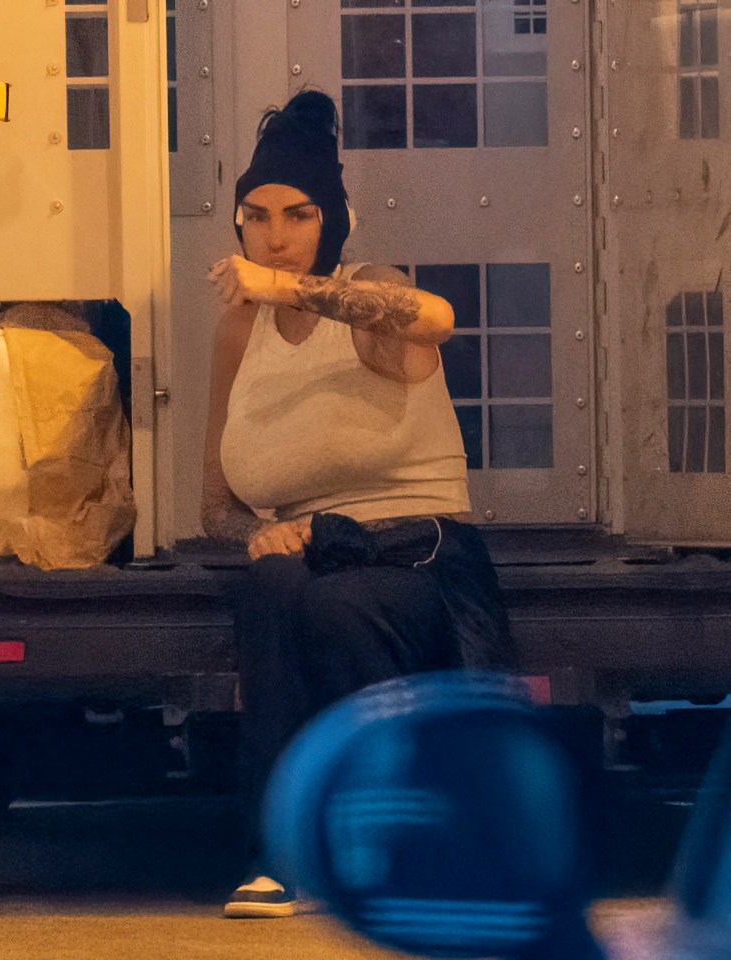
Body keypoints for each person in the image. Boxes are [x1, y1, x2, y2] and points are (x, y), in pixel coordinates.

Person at [202, 90, 511, 919]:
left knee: (338, 605)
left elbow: (439, 318)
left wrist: (291, 288)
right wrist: (261, 533)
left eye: (297, 215)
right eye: (256, 216)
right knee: (273, 588)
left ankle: (403, 838)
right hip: (310, 556)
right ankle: (282, 853)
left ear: (329, 219)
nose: (274, 235)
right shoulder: (240, 332)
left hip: (419, 553)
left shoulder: (363, 294)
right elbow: (217, 505)